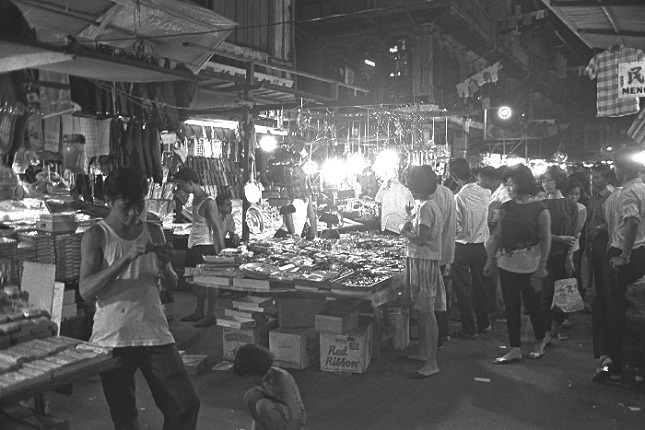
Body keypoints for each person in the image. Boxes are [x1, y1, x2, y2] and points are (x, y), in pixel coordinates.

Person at [79, 166, 200, 430]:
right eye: (126, 207)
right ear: (109, 202)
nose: (135, 214)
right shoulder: (96, 236)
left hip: (154, 331)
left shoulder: (153, 231)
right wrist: (126, 258)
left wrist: (165, 264)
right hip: (113, 336)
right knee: (125, 419)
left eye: (139, 205)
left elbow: (172, 282)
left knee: (186, 404)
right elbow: (86, 290)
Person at [484, 164, 551, 364]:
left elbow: (546, 238)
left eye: (511, 184)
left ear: (522, 184)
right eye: (507, 184)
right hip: (507, 263)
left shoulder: (540, 209)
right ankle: (515, 348)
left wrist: (542, 265)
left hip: (530, 265)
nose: (509, 188)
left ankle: (540, 340)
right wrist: (490, 259)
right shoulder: (507, 207)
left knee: (532, 305)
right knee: (510, 305)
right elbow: (497, 236)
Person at [594, 148, 645, 383]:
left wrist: (623, 255)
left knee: (613, 309)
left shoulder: (626, 193)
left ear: (621, 170)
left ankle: (614, 364)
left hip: (626, 254)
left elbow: (632, 221)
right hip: (640, 253)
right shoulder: (642, 188)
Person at [400, 165, 446, 378]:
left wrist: (405, 231)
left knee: (427, 313)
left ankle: (432, 361)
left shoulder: (427, 207)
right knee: (422, 310)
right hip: (420, 261)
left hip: (424, 263)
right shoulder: (426, 205)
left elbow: (421, 239)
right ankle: (423, 352)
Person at [174, 166, 225, 327]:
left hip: (205, 245)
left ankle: (210, 314)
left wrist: (222, 252)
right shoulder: (193, 199)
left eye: (182, 185)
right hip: (195, 244)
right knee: (199, 281)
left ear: (190, 183)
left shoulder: (208, 201)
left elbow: (216, 228)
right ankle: (199, 311)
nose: (181, 188)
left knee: (211, 281)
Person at [448, 158, 492, 339]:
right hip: (480, 247)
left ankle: (469, 328)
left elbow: (457, 227)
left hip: (462, 247)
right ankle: (484, 323)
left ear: (453, 176)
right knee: (480, 286)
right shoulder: (486, 193)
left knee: (464, 289)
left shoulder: (459, 198)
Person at [540, 165, 578, 343]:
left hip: (564, 255)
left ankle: (558, 326)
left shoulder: (571, 204)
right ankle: (546, 331)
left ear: (559, 181)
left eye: (550, 180)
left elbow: (575, 233)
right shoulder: (541, 204)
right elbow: (539, 234)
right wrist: (559, 238)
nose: (546, 184)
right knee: (546, 294)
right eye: (544, 181)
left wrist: (570, 256)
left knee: (563, 293)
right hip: (546, 255)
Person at [233, 343, 306, 430]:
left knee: (263, 405)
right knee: (250, 396)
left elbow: (295, 412)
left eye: (249, 377)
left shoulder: (281, 377)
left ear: (257, 372)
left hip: (292, 418)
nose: (249, 380)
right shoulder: (260, 381)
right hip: (275, 411)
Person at [428, 176, 457, 346]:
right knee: (440, 292)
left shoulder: (432, 197)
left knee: (433, 298)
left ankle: (436, 338)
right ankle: (443, 333)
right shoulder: (447, 192)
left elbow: (430, 229)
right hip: (444, 251)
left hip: (434, 253)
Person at [561, 177, 588, 329]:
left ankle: (565, 316)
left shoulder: (581, 208)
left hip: (572, 249)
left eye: (577, 194)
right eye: (571, 193)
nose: (573, 197)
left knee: (568, 281)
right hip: (558, 247)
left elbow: (576, 233)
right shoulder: (560, 206)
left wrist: (569, 255)